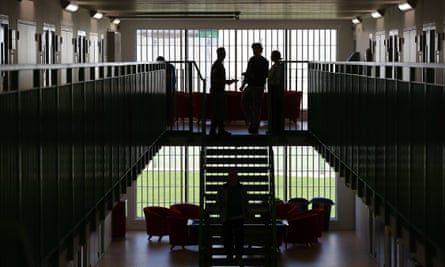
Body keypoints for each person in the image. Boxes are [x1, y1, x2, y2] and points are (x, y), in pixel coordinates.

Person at [216, 170, 249, 261]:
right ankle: (231, 254)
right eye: (231, 176)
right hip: (228, 216)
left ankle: (236, 254)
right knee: (228, 237)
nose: (232, 178)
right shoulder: (238, 188)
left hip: (237, 216)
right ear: (228, 177)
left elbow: (245, 201)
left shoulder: (226, 188)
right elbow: (218, 200)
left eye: (234, 176)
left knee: (238, 238)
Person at [239, 43, 269, 134]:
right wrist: (243, 85)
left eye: (256, 49)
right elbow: (248, 72)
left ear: (260, 50)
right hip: (250, 85)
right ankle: (253, 122)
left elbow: (265, 75)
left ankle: (254, 125)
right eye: (253, 49)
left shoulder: (264, 61)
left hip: (258, 86)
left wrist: (252, 76)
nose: (254, 51)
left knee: (256, 107)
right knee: (243, 102)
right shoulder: (251, 60)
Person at [209, 47, 238, 136]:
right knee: (218, 111)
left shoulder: (218, 64)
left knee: (219, 111)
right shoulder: (217, 65)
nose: (224, 55)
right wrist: (226, 82)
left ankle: (217, 130)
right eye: (223, 53)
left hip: (218, 90)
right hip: (217, 91)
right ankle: (215, 130)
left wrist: (226, 82)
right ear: (219, 54)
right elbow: (215, 79)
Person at [267, 50, 284, 134]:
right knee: (274, 109)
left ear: (274, 57)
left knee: (275, 109)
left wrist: (272, 82)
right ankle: (275, 128)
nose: (270, 57)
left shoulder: (278, 66)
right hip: (275, 89)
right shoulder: (277, 66)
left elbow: (277, 79)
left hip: (276, 89)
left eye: (272, 55)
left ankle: (275, 128)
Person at [156, 56, 176, 127]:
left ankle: (163, 122)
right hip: (171, 90)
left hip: (162, 91)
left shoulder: (158, 67)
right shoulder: (171, 66)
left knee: (163, 107)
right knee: (170, 107)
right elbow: (174, 80)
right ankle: (171, 122)